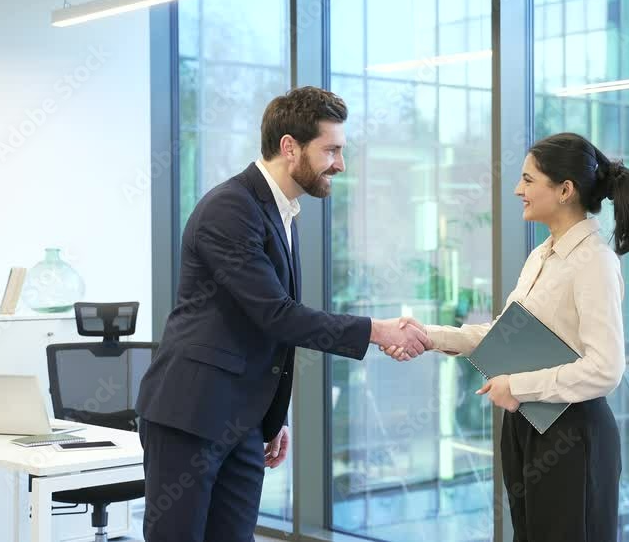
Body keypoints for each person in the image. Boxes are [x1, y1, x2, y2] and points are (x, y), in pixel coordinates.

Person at [135, 86, 430, 542]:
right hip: (190, 416)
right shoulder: (230, 209)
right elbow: (277, 315)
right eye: (330, 150)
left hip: (242, 421)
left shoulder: (280, 210)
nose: (340, 164)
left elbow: (259, 331)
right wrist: (376, 330)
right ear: (290, 147)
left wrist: (274, 418)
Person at [385, 132, 629, 541]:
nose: (517, 190)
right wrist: (428, 335)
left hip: (572, 431)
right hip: (528, 422)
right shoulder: (542, 255)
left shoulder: (594, 261)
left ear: (565, 190)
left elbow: (606, 369)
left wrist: (519, 386)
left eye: (528, 180)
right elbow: (506, 333)